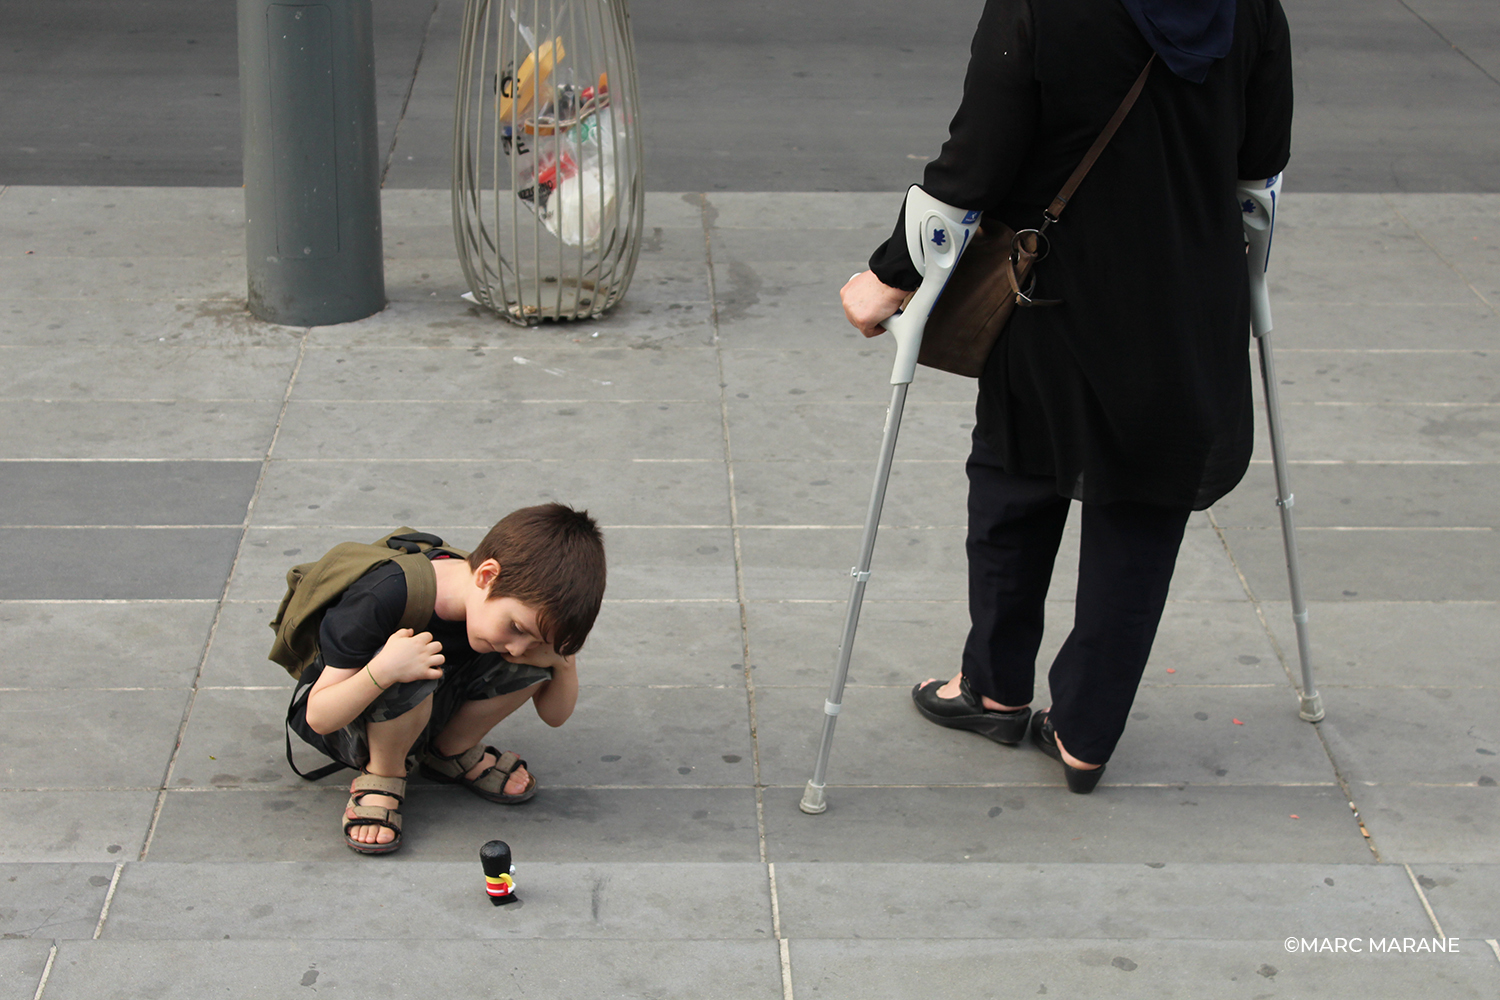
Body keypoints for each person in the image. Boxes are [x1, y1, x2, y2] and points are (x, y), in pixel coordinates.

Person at [841, 0, 1292, 792]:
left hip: (1055, 291)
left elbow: (975, 162)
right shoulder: (1247, 4)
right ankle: (1087, 731)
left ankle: (994, 687)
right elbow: (1259, 162)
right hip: (1189, 296)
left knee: (1015, 472)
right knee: (1146, 502)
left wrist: (889, 275)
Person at [293, 503, 606, 852]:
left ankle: (449, 752)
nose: (518, 647)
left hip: (430, 699)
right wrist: (382, 671)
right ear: (487, 576)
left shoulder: (507, 611)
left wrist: (561, 661)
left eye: (532, 638)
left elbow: (555, 716)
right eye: (516, 628)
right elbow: (319, 717)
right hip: (351, 717)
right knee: (414, 665)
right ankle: (383, 773)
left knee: (533, 661)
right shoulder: (383, 596)